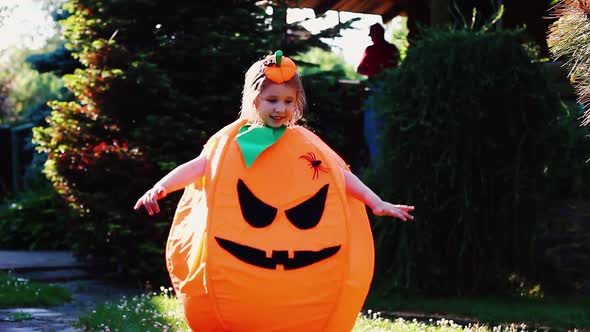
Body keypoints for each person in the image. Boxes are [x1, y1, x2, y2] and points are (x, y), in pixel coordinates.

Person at [134, 50, 414, 332]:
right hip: (239, 261)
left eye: (288, 101)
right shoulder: (232, 143)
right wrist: (162, 187)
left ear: (297, 103)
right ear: (254, 99)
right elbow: (198, 167)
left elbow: (339, 178)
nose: (280, 108)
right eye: (272, 100)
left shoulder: (306, 148)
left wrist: (375, 202)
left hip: (300, 272)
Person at [357, 23, 399, 163]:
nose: (370, 37)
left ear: (377, 34)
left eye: (372, 34)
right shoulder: (390, 49)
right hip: (386, 93)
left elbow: (361, 69)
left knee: (374, 130)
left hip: (379, 93)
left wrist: (375, 74)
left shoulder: (376, 50)